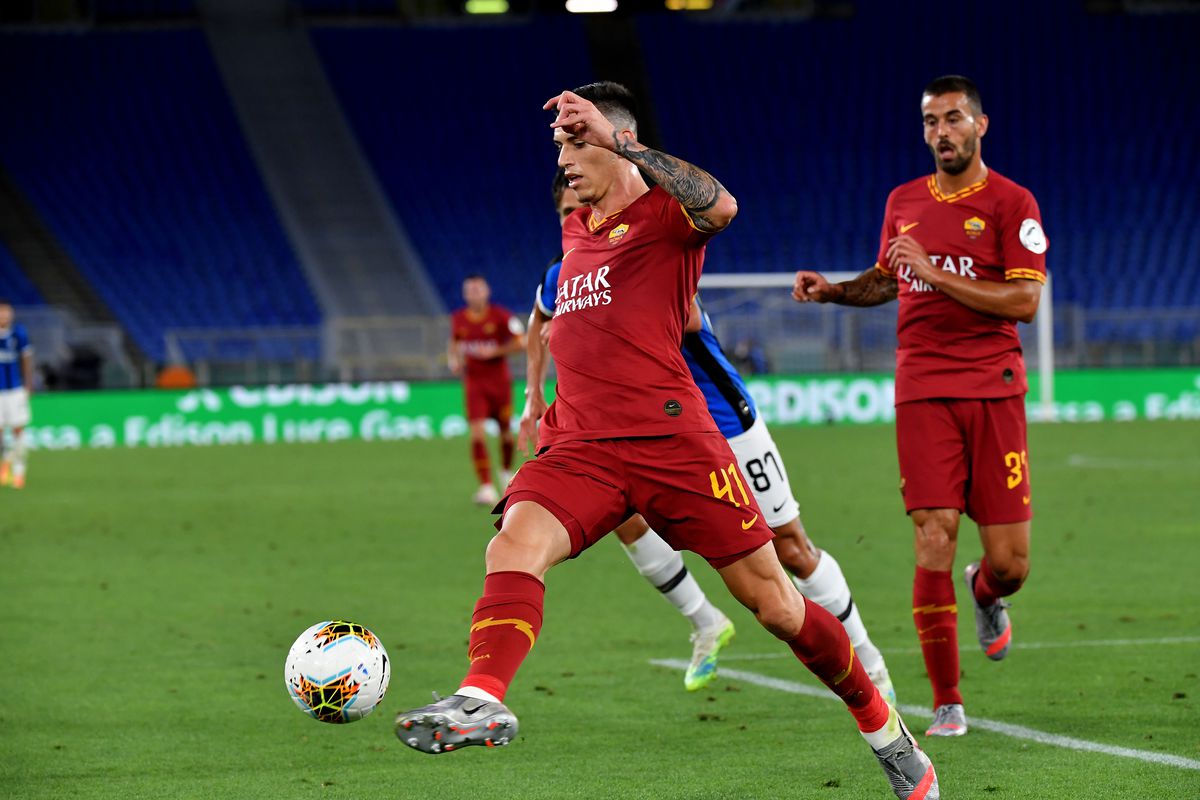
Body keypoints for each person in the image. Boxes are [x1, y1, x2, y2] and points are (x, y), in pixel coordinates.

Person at [395, 82, 937, 799]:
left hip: (673, 443)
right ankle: (481, 696)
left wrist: (623, 143)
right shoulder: (575, 230)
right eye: (558, 145)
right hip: (583, 446)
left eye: (575, 142)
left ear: (616, 141)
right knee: (512, 544)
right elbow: (544, 320)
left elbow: (723, 206)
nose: (563, 159)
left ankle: (884, 730)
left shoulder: (664, 216)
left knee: (776, 605)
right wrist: (535, 400)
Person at [523, 170, 895, 702]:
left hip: (721, 417)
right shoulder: (566, 274)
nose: (578, 218)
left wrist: (603, 318)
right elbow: (537, 320)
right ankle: (704, 621)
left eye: (579, 206)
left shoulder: (648, 248)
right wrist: (533, 397)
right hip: (647, 431)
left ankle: (871, 663)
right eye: (566, 213)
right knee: (624, 520)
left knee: (790, 548)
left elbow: (686, 316)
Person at [793, 75, 1047, 738]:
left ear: (980, 125)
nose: (942, 132)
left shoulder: (1012, 203)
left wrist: (937, 273)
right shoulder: (902, 201)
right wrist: (834, 291)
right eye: (932, 121)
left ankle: (986, 591)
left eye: (954, 119)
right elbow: (888, 279)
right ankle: (947, 702)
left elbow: (1025, 301)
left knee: (1011, 565)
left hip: (994, 388)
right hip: (923, 387)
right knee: (934, 533)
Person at [448, 275, 526, 505]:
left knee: (505, 433)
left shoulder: (501, 316)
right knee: (477, 434)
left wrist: (494, 352)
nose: (474, 294)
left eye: (478, 289)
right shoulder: (458, 319)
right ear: (465, 294)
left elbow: (520, 342)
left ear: (486, 292)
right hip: (474, 384)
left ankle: (505, 472)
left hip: (499, 383)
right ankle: (486, 486)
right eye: (470, 290)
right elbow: (454, 343)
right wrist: (454, 360)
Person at [0, 299, 34, 490]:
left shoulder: (18, 333)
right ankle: (5, 462)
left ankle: (19, 472)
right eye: (1, 312)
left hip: (15, 390)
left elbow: (26, 358)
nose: (4, 315)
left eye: (7, 312)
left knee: (18, 430)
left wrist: (28, 385)